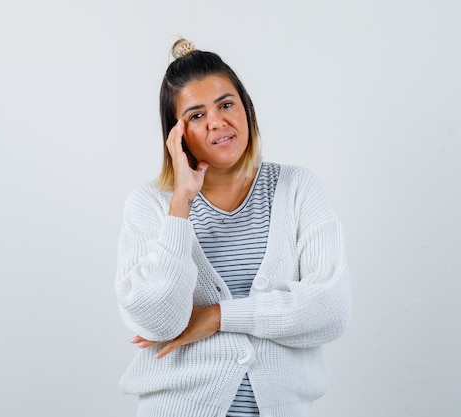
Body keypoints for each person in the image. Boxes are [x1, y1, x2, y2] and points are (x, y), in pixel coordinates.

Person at [114, 38, 351, 417]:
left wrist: (216, 317)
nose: (217, 122)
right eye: (195, 115)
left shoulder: (297, 188)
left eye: (226, 104)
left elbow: (330, 311)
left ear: (247, 110)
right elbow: (157, 321)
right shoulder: (151, 204)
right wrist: (180, 204)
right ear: (176, 134)